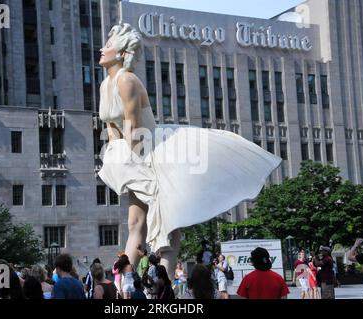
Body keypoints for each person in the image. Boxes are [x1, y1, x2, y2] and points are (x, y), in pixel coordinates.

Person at [96, 22, 282, 279]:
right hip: (131, 152)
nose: (101, 49)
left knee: (166, 221)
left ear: (122, 53)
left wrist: (134, 165)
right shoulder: (105, 84)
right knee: (134, 222)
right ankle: (123, 281)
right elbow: (113, 131)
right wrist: (118, 161)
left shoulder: (127, 80)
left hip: (152, 149)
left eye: (108, 46)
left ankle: (165, 282)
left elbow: (134, 131)